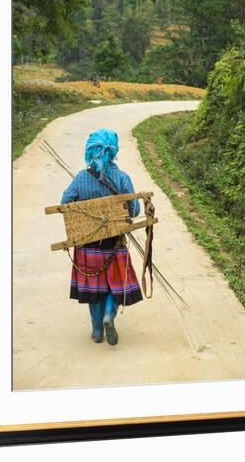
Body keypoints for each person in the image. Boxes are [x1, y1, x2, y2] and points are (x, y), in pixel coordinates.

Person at [61, 128, 143, 346]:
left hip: (88, 247)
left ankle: (97, 331)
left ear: (91, 151)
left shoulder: (80, 178)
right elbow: (134, 210)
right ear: (113, 151)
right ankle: (109, 316)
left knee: (94, 290)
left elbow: (65, 204)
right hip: (114, 246)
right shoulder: (123, 178)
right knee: (114, 287)